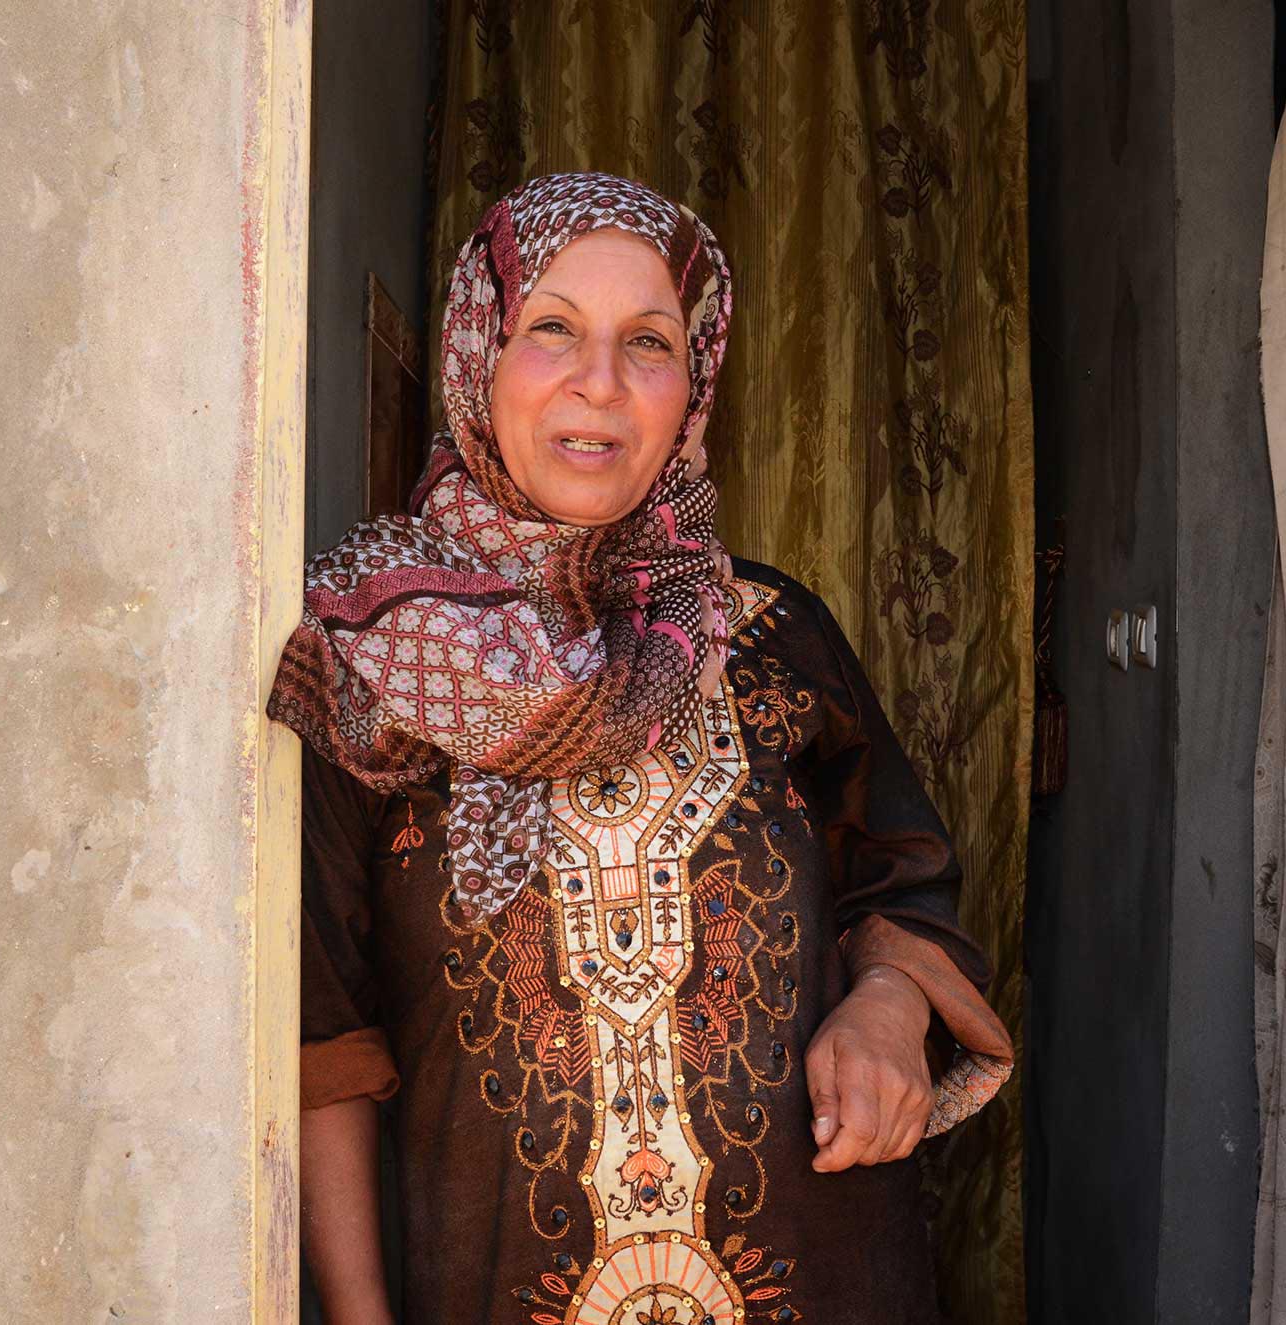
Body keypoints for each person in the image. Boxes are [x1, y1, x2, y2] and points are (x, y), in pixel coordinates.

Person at [269, 172, 1013, 1325]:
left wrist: (883, 1008)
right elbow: (326, 1040)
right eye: (550, 328)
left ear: (695, 383)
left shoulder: (771, 631)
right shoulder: (366, 658)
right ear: (478, 349)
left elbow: (902, 875)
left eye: (649, 341)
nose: (600, 383)